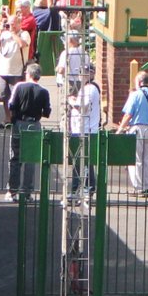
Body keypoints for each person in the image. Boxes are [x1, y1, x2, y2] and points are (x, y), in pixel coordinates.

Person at [6, 62, 52, 201]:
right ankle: (27, 192)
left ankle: (12, 191)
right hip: (34, 125)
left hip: (19, 123)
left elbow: (11, 104)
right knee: (31, 159)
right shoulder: (44, 91)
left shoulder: (19, 86)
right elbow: (47, 112)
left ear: (29, 74)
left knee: (15, 156)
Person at [66, 67, 102, 198]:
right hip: (83, 129)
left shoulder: (90, 88)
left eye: (83, 72)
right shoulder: (87, 88)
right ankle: (88, 188)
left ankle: (81, 189)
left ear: (91, 74)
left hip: (85, 130)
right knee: (84, 160)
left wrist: (71, 101)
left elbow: (83, 107)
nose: (80, 74)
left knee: (81, 161)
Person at [0, 14, 31, 123]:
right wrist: (0, 31)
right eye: (9, 24)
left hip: (16, 71)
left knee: (16, 96)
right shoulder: (4, 34)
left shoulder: (24, 34)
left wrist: (13, 33)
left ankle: (16, 117)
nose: (11, 26)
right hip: (3, 70)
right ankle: (7, 117)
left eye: (13, 24)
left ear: (19, 24)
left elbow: (22, 44)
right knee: (4, 96)